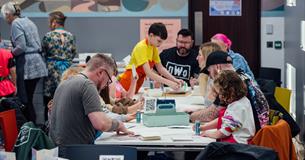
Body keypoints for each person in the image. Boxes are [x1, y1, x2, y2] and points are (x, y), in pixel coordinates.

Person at [49, 54, 133, 146]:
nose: (106, 85)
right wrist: (119, 125)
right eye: (108, 80)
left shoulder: (64, 84)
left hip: (59, 152)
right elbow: (101, 123)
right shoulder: (87, 85)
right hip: (77, 152)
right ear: (101, 72)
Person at [191, 51, 269, 132]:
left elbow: (211, 115)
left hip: (250, 135)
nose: (210, 76)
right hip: (258, 129)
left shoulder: (229, 82)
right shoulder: (243, 76)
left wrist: (190, 116)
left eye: (209, 71)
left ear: (218, 67)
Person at [1, 2, 48, 122]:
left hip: (27, 65)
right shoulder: (28, 21)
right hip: (38, 64)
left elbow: (21, 46)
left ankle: (28, 128)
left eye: (4, 16)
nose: (5, 19)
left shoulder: (16, 24)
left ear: (7, 14)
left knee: (24, 100)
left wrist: (9, 53)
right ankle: (32, 126)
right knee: (30, 98)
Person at [119, 22, 183, 93]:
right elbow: (149, 73)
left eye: (162, 42)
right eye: (159, 41)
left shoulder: (153, 48)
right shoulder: (141, 47)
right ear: (151, 35)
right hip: (128, 82)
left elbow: (160, 68)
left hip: (138, 81)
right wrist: (169, 83)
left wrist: (174, 80)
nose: (160, 44)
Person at [195, 70, 255, 144]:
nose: (220, 97)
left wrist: (207, 133)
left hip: (237, 146)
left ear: (230, 91)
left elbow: (224, 133)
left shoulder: (237, 107)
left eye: (220, 93)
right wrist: (204, 127)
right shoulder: (243, 101)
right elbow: (223, 120)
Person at [42, 11, 77, 120]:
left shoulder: (48, 36)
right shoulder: (71, 36)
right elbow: (73, 53)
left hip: (52, 72)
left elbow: (43, 52)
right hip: (67, 71)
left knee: (49, 101)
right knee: (67, 99)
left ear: (54, 22)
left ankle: (49, 127)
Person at [0, 33, 16, 98]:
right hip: (6, 88)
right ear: (0, 39)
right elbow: (13, 71)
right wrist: (15, 85)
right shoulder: (7, 54)